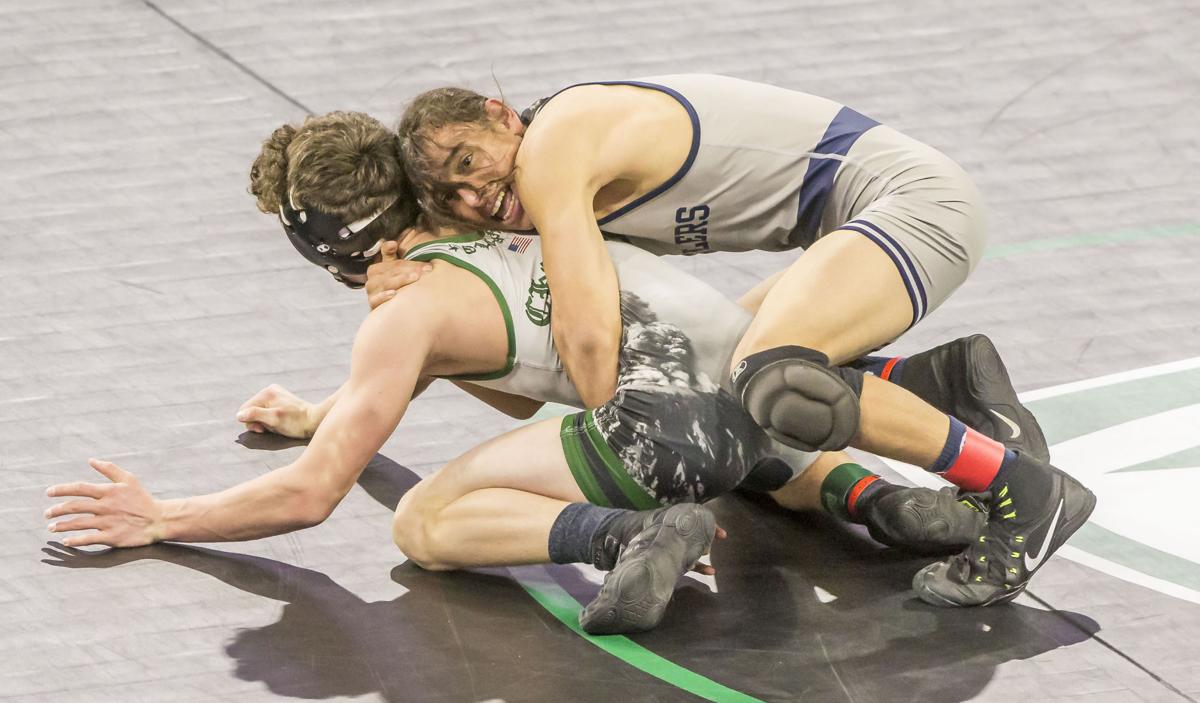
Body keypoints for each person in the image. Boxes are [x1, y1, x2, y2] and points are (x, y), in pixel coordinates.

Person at [44, 112, 983, 636]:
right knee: (711, 408)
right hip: (755, 373)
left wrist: (165, 516)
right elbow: (447, 363)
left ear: (321, 245)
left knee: (424, 519)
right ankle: (874, 496)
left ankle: (626, 533)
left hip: (669, 430)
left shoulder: (402, 315)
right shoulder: (507, 205)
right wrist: (321, 409)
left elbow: (312, 495)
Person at [376, 75, 1095, 607]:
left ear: (501, 114)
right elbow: (537, 366)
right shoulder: (559, 164)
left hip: (907, 203)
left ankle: (1022, 491)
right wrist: (411, 351)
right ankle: (933, 382)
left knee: (774, 379)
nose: (476, 197)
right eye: (453, 196)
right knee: (734, 368)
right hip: (872, 211)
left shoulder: (553, 148)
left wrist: (619, 433)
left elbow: (587, 333)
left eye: (470, 162)